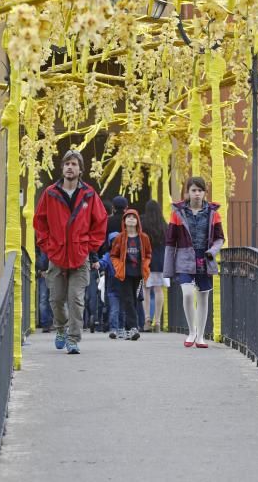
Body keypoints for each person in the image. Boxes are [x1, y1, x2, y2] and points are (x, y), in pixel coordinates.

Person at [33, 149, 107, 354]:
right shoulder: (50, 193)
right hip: (56, 254)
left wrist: (89, 247)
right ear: (62, 167)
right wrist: (47, 245)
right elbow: (40, 222)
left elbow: (100, 222)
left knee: (76, 299)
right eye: (67, 164)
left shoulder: (89, 194)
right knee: (55, 298)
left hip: (80, 255)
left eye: (74, 164)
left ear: (80, 169)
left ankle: (73, 338)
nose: (70, 167)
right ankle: (60, 329)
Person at [163, 176, 225, 348]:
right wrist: (167, 270)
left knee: (203, 297)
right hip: (184, 258)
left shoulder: (214, 214)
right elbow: (170, 242)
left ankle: (201, 336)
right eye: (193, 190)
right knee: (188, 294)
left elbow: (220, 238)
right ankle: (191, 331)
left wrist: (212, 251)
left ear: (205, 193)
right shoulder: (177, 213)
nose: (197, 193)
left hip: (205, 258)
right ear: (187, 193)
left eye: (200, 190)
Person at [110, 209, 151, 341]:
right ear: (124, 221)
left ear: (138, 220)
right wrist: (118, 267)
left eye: (134, 217)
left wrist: (145, 266)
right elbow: (114, 255)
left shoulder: (144, 238)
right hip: (124, 274)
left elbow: (149, 254)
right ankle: (133, 327)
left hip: (138, 274)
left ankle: (127, 329)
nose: (131, 219)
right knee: (127, 299)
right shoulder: (119, 238)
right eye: (128, 217)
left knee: (134, 300)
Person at [141, 200, 168, 333]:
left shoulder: (143, 222)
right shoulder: (164, 224)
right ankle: (157, 322)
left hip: (147, 260)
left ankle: (147, 320)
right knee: (158, 290)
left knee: (146, 289)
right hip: (161, 261)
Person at [35, 246, 53, 332]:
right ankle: (49, 323)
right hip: (51, 271)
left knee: (44, 299)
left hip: (46, 272)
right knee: (52, 299)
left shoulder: (40, 238)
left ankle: (47, 324)